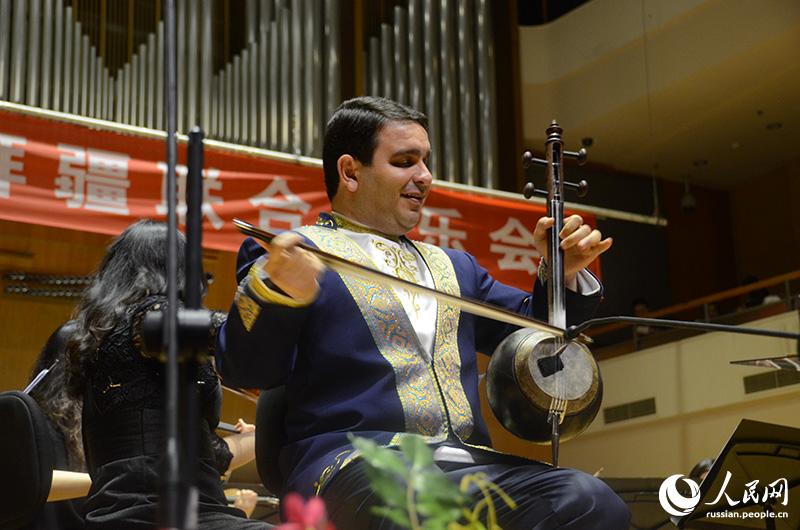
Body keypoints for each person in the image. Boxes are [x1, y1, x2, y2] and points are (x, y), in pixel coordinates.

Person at [218, 97, 629, 528]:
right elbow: (243, 368)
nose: (425, 177)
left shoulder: (455, 267)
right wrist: (275, 292)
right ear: (350, 172)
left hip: (468, 465)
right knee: (415, 505)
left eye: (426, 161)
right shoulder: (294, 253)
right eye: (404, 161)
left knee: (592, 500)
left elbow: (538, 331)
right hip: (355, 464)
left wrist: (563, 275)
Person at [65, 220, 270, 529]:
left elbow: (207, 459)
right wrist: (272, 293)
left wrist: (257, 437)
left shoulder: (110, 342)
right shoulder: (149, 316)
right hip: (153, 514)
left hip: (146, 511)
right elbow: (227, 332)